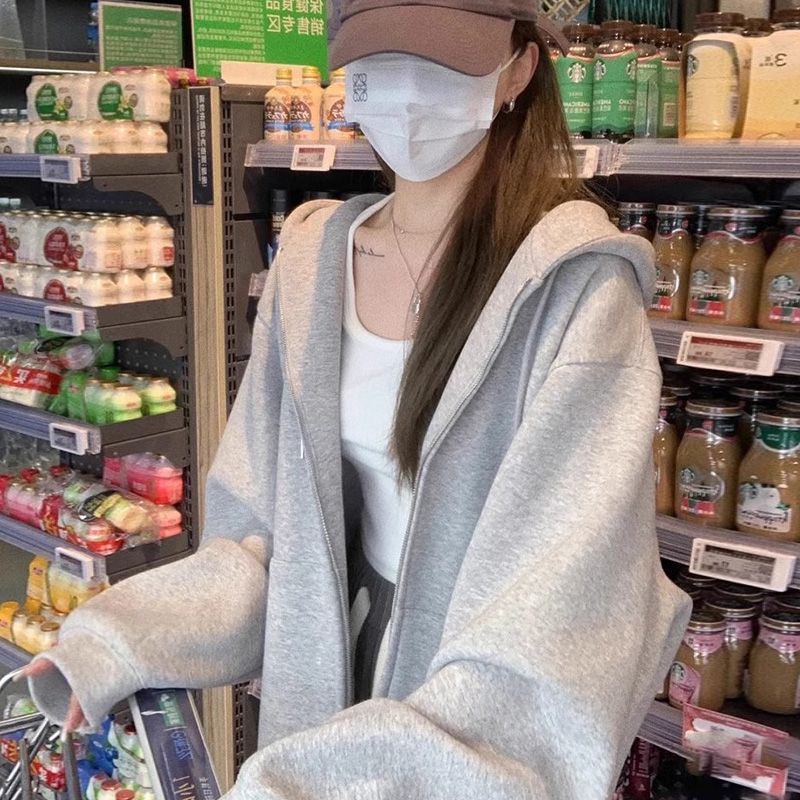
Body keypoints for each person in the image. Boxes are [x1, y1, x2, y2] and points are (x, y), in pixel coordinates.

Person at [25, 1, 691, 797]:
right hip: (335, 680)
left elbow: (557, 629)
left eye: (441, 59)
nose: (405, 92)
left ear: (519, 70)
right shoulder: (312, 266)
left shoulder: (578, 293)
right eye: (379, 63)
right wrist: (111, 642)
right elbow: (262, 546)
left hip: (482, 729)